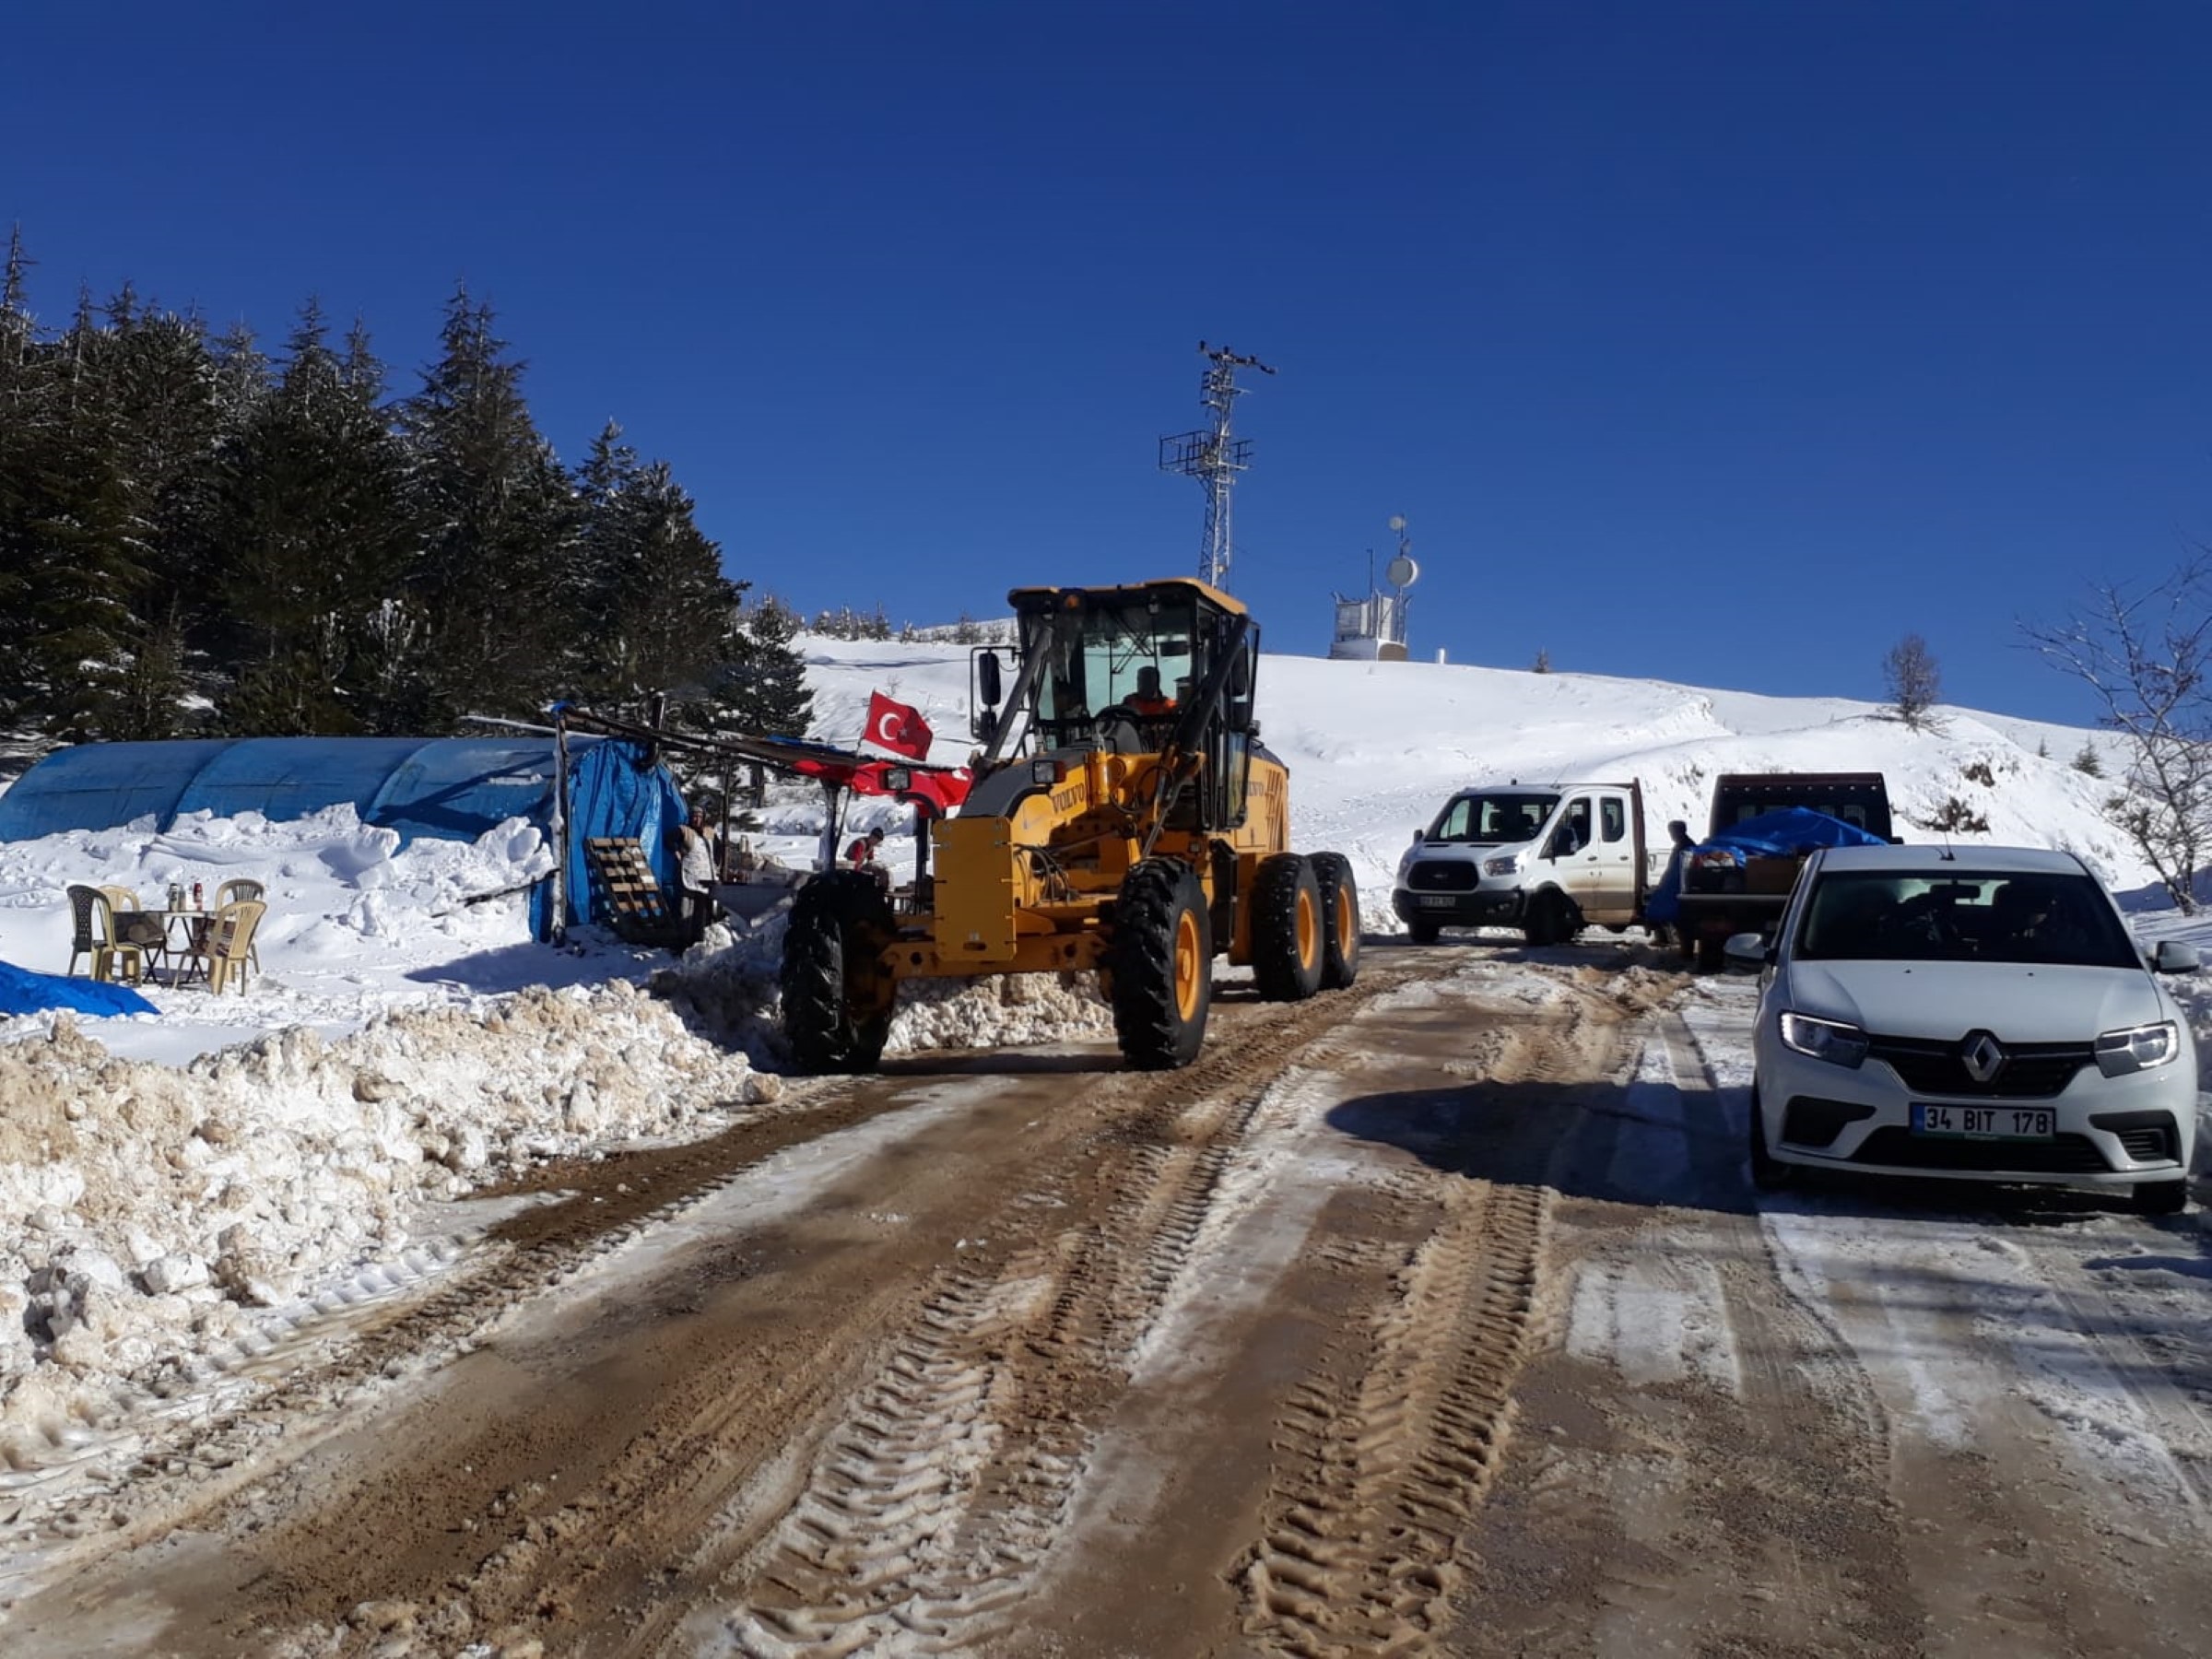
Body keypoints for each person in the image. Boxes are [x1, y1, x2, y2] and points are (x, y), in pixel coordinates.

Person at [675, 806, 718, 944]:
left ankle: (698, 942)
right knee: (686, 913)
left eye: (699, 817)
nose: (696, 819)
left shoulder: (709, 833)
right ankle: (683, 943)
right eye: (694, 816)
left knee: (702, 913)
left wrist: (718, 865)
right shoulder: (684, 831)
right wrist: (676, 851)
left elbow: (719, 849)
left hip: (706, 878)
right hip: (690, 876)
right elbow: (669, 839)